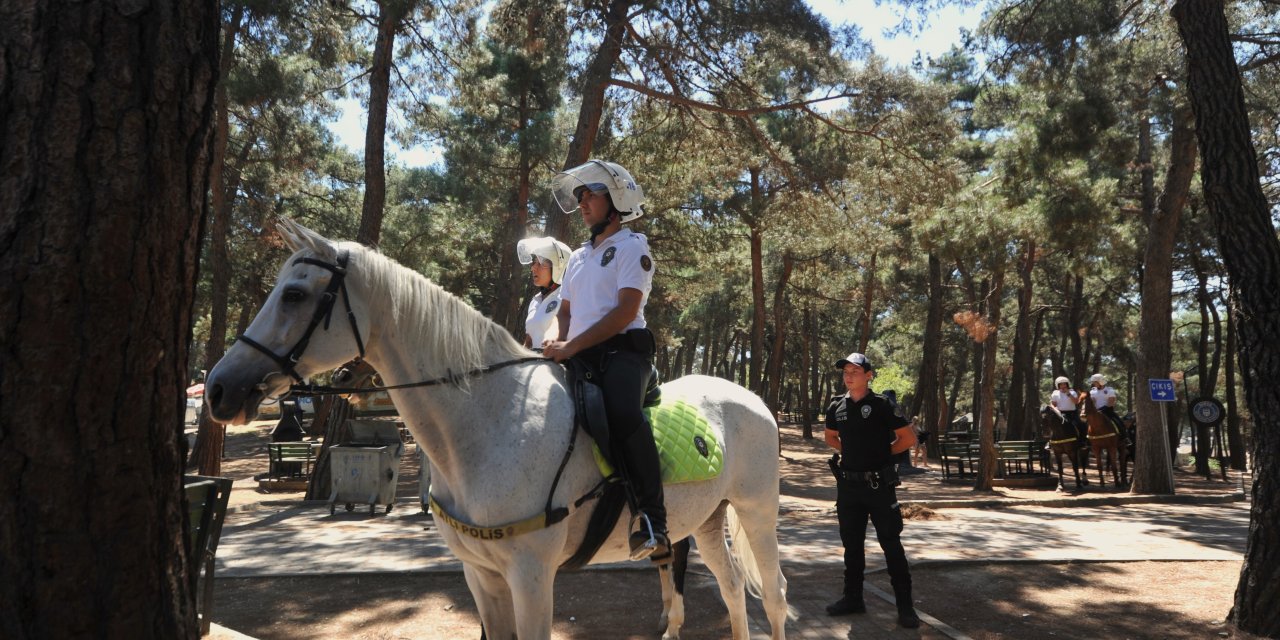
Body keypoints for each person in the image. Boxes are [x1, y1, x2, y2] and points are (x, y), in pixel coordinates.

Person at [542, 159, 668, 561]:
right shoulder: (578, 257)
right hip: (579, 352)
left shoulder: (633, 248)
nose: (581, 203)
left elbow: (624, 313)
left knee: (622, 413)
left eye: (589, 195)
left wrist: (571, 347)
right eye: (578, 197)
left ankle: (652, 521)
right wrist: (552, 339)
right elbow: (564, 312)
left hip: (624, 352)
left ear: (615, 201)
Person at [823, 352, 920, 628]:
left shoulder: (882, 405)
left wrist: (881, 453)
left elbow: (908, 438)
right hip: (849, 488)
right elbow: (830, 437)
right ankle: (853, 598)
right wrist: (852, 451)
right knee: (851, 547)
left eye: (855, 370)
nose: (848, 375)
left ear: (868, 375)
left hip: (879, 487)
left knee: (891, 545)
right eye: (845, 371)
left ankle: (905, 607)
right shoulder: (836, 407)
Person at [516, 236, 572, 349]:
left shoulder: (567, 297)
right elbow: (529, 342)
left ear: (559, 267)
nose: (533, 268)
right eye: (534, 262)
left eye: (540, 263)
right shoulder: (535, 300)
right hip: (536, 364)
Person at [1087, 373, 1128, 440]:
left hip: (1107, 411)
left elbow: (1111, 402)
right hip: (1096, 412)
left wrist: (1102, 409)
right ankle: (1087, 441)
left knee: (1118, 422)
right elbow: (1093, 402)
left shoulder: (1110, 390)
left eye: (1095, 382)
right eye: (1093, 382)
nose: (1093, 384)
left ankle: (1125, 438)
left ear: (1100, 382)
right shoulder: (1092, 391)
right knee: (1087, 423)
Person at [1049, 376, 1087, 444]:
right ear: (1058, 385)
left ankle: (1083, 441)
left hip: (1072, 413)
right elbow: (1053, 404)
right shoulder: (1055, 394)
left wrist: (1068, 394)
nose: (1063, 386)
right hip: (1060, 414)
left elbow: (1076, 402)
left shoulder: (1072, 392)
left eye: (1064, 384)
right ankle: (1050, 442)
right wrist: (1055, 409)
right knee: (1052, 425)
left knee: (1081, 424)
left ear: (1067, 384)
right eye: (1061, 384)